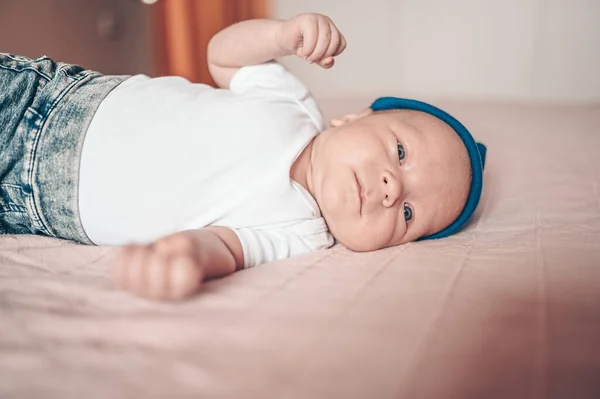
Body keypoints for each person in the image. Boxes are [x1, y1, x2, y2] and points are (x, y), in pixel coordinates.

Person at [0, 13, 486, 300]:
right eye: (399, 153)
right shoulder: (293, 104)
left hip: (31, 207)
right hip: (44, 103)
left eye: (408, 214)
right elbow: (223, 55)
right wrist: (282, 36)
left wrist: (187, 255)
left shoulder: (303, 234)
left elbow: (228, 246)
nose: (391, 188)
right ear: (351, 119)